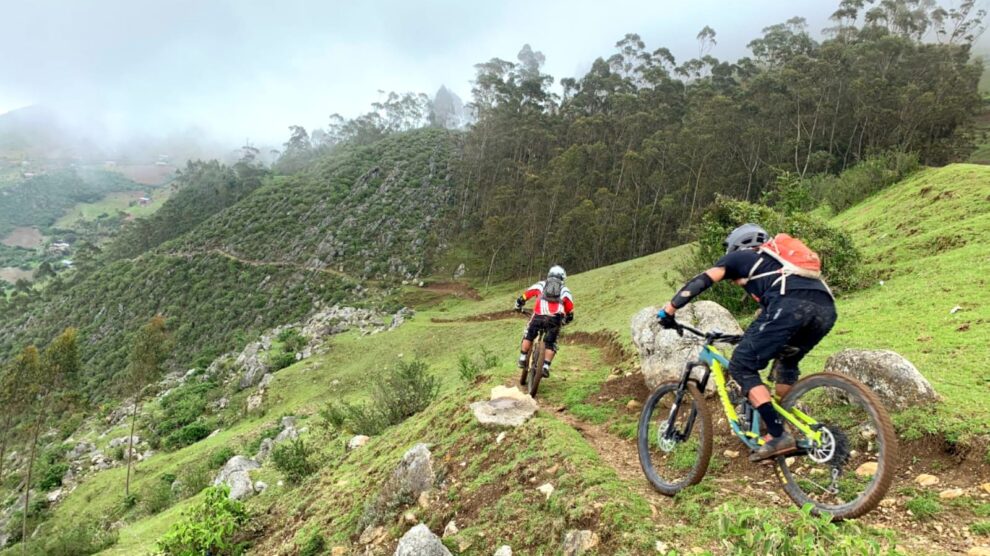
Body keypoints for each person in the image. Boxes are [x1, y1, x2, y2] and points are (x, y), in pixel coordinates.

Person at [657, 223, 837, 462]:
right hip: (825, 311)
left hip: (789, 307)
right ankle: (789, 425)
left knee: (741, 365)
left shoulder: (741, 257)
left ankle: (778, 434)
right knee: (786, 364)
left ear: (740, 245)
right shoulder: (777, 266)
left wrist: (669, 309)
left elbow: (703, 280)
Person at [514, 265, 575, 381]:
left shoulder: (541, 285)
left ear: (549, 275)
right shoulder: (565, 291)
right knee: (551, 343)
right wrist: (565, 320)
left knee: (529, 334)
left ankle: (522, 358)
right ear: (562, 278)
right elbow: (570, 312)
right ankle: (546, 366)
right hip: (554, 319)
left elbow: (524, 296)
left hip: (539, 315)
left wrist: (518, 305)